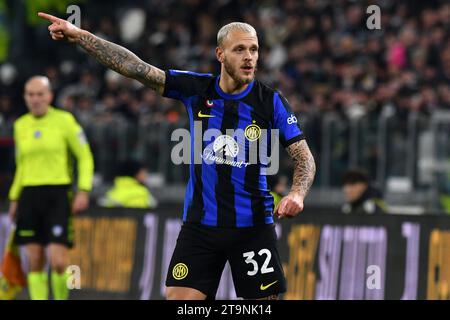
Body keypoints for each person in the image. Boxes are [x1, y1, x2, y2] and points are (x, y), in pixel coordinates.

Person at [38, 13, 316, 300]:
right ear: (220, 54)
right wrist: (80, 35)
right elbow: (136, 68)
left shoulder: (270, 101)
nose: (249, 57)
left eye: (254, 49)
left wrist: (297, 193)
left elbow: (303, 157)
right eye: (240, 49)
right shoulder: (197, 89)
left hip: (253, 227)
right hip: (200, 226)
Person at [8, 76, 94, 300]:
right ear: (25, 97)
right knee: (34, 261)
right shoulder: (20, 125)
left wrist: (83, 190)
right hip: (28, 195)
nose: (35, 99)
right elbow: (22, 166)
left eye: (39, 94)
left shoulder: (65, 121)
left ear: (50, 96)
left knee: (59, 261)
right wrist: (14, 198)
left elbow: (84, 157)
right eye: (30, 94)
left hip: (57, 194)